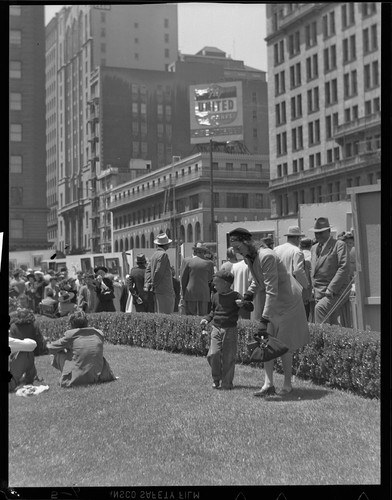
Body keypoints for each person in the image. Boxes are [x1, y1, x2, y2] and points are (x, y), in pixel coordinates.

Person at [228, 227, 310, 397]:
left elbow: (272, 290)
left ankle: (287, 384)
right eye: (234, 249)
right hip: (273, 302)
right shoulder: (250, 256)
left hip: (288, 302)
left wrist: (264, 320)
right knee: (266, 342)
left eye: (238, 247)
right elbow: (258, 281)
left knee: (285, 344)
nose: (236, 252)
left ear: (246, 242)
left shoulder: (267, 256)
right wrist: (248, 295)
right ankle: (268, 384)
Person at [200, 269, 253, 390]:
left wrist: (243, 304)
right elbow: (213, 311)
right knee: (213, 354)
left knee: (228, 357)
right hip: (216, 328)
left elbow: (250, 307)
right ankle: (216, 377)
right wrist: (206, 319)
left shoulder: (235, 296)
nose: (214, 285)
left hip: (230, 330)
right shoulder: (215, 296)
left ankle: (226, 383)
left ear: (225, 283)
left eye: (216, 283)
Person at [47, 310, 116, 388]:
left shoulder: (71, 335)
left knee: (58, 352)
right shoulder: (98, 333)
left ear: (71, 324)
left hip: (77, 380)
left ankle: (68, 378)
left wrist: (47, 342)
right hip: (102, 376)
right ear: (87, 322)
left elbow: (50, 348)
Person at [310, 217, 350, 325]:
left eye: (321, 233)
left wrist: (331, 289)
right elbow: (313, 269)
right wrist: (313, 288)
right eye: (316, 233)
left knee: (320, 309)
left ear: (329, 231)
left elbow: (344, 267)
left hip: (335, 291)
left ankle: (320, 341)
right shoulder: (314, 248)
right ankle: (330, 341)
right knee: (331, 323)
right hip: (318, 291)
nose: (318, 236)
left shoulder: (339, 245)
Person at [180, 242, 214, 316]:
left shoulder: (187, 261)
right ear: (204, 252)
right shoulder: (210, 263)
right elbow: (210, 279)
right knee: (203, 316)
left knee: (191, 316)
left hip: (190, 292)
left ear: (194, 251)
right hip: (204, 293)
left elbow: (183, 278)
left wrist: (182, 294)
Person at [144, 233, 175, 314]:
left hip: (158, 290)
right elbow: (158, 271)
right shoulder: (163, 255)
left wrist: (149, 283)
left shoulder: (154, 255)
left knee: (158, 312)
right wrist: (154, 284)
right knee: (166, 313)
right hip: (164, 289)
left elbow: (148, 270)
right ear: (166, 244)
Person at [274, 225, 309, 291]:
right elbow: (298, 271)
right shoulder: (297, 251)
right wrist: (306, 285)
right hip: (292, 290)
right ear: (297, 238)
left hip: (278, 288)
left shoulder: (276, 249)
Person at [300, 237, 314, 321]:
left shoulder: (298, 255)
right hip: (313, 288)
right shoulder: (313, 255)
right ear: (311, 245)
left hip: (302, 288)